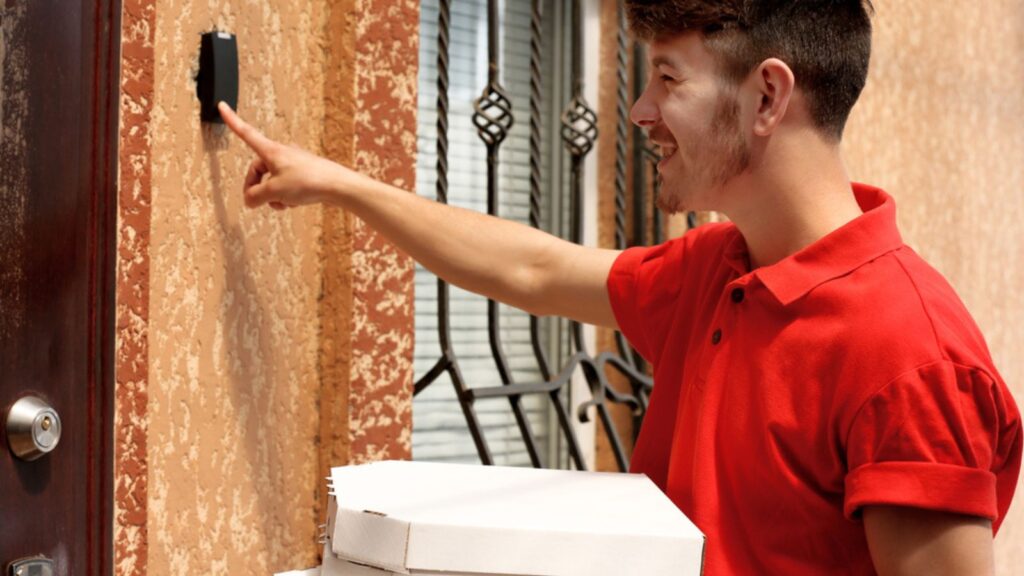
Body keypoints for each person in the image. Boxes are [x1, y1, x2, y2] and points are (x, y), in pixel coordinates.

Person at [218, 0, 1022, 574]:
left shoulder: (911, 358)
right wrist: (343, 187)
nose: (639, 111)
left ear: (768, 96)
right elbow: (534, 268)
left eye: (668, 80)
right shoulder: (719, 269)